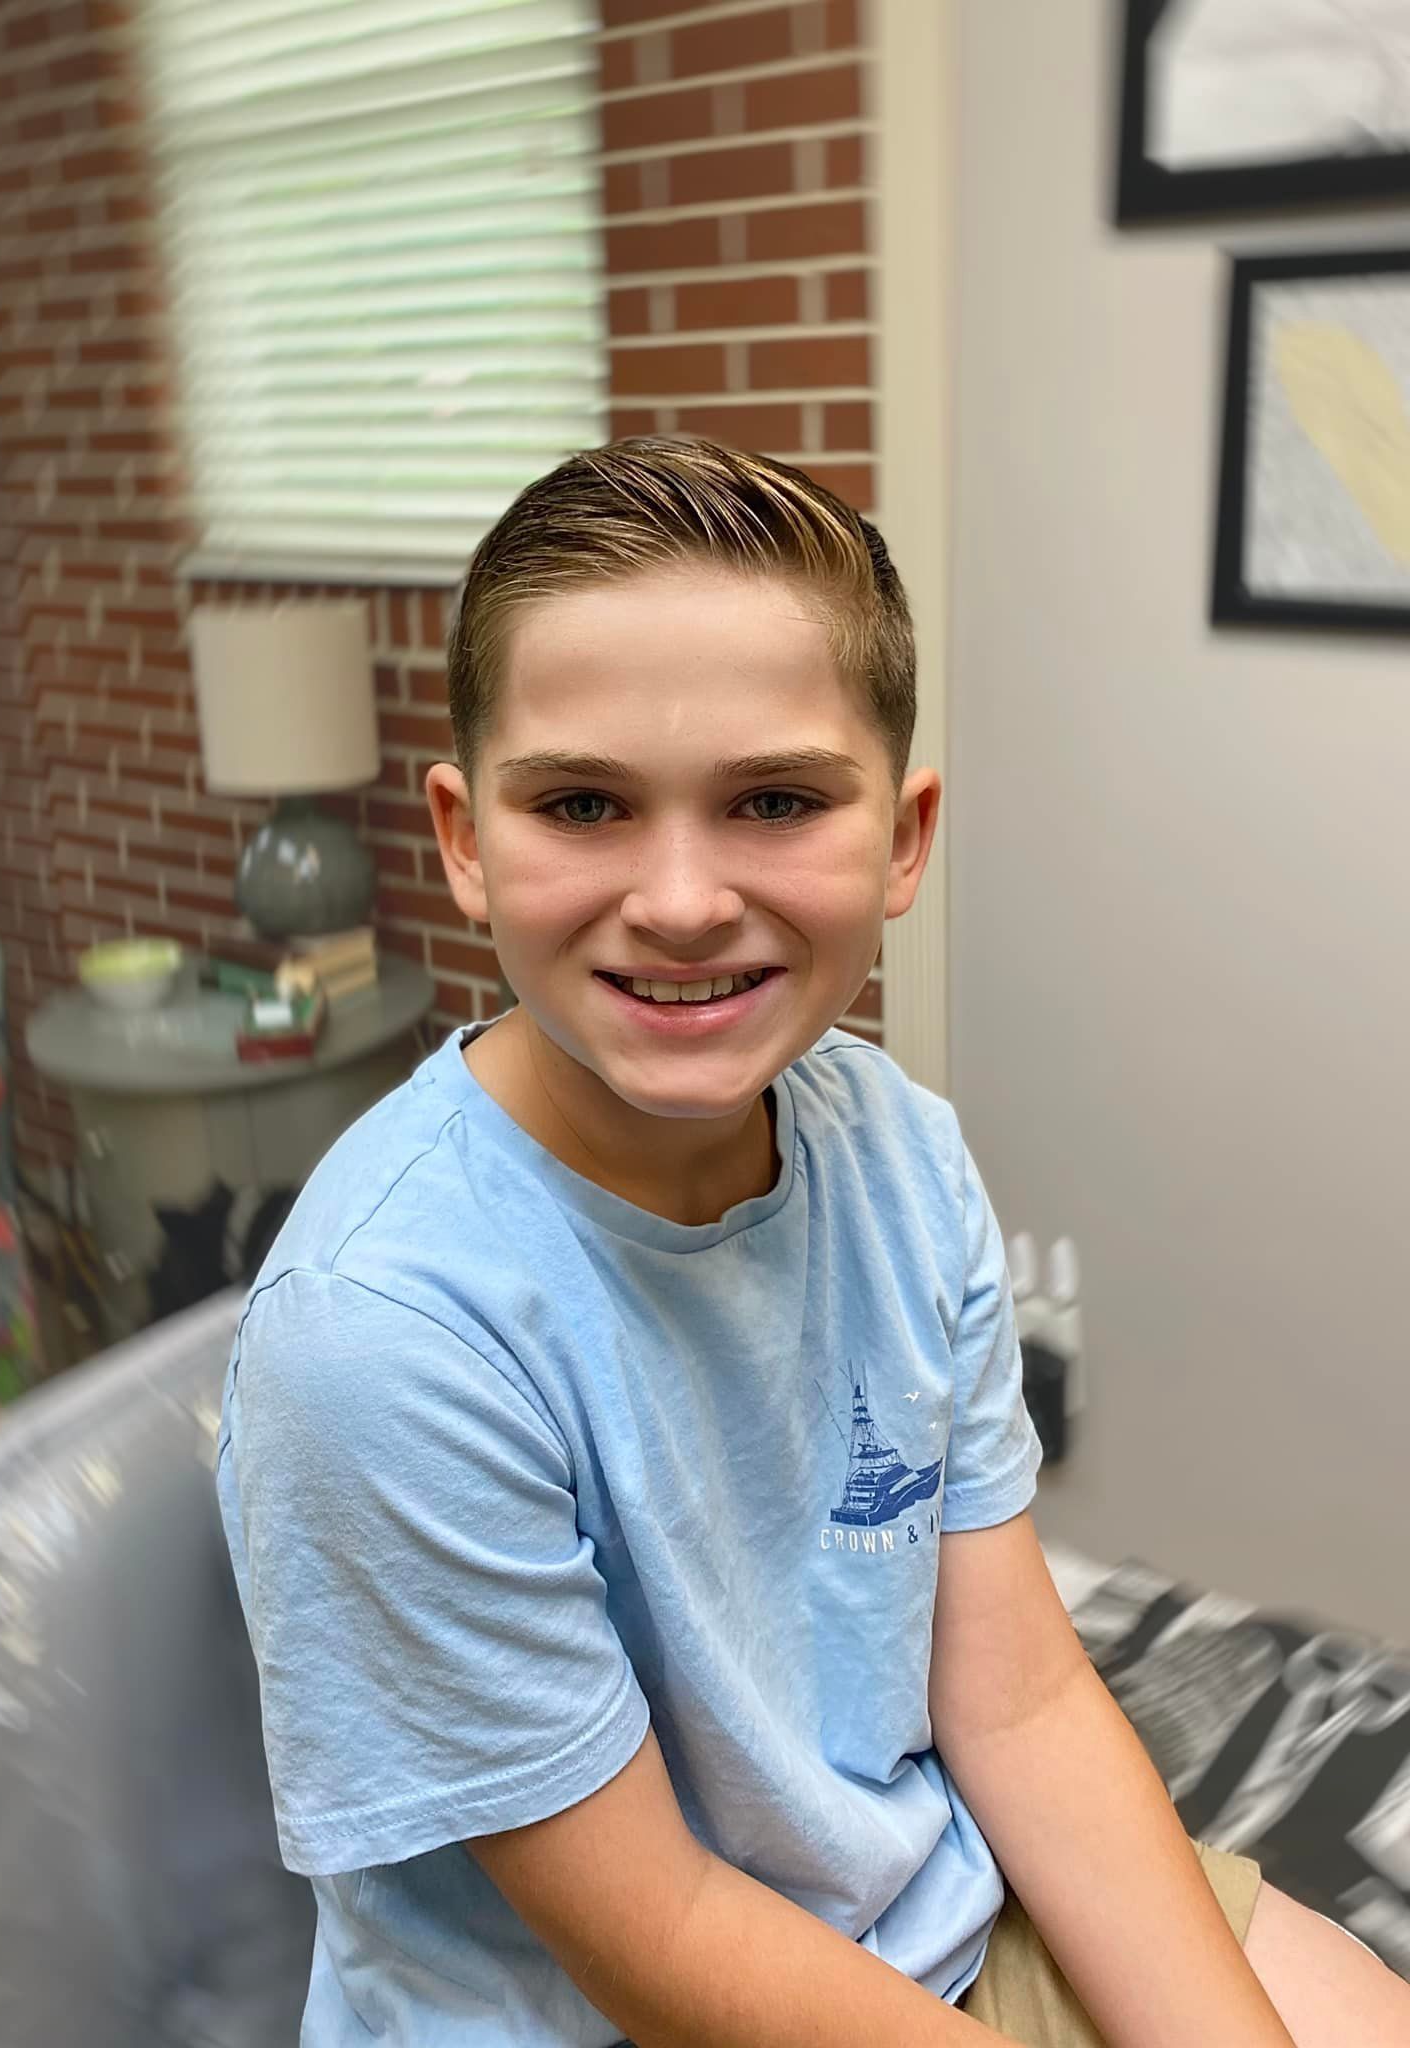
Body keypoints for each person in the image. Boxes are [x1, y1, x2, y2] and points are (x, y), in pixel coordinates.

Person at [216, 439, 1410, 2046]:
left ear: (903, 837)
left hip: (923, 1916)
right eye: (583, 804)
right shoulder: (382, 1335)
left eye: (774, 801)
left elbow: (1022, 1699)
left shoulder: (901, 1154)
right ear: (467, 837)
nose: (682, 900)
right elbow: (663, 1945)